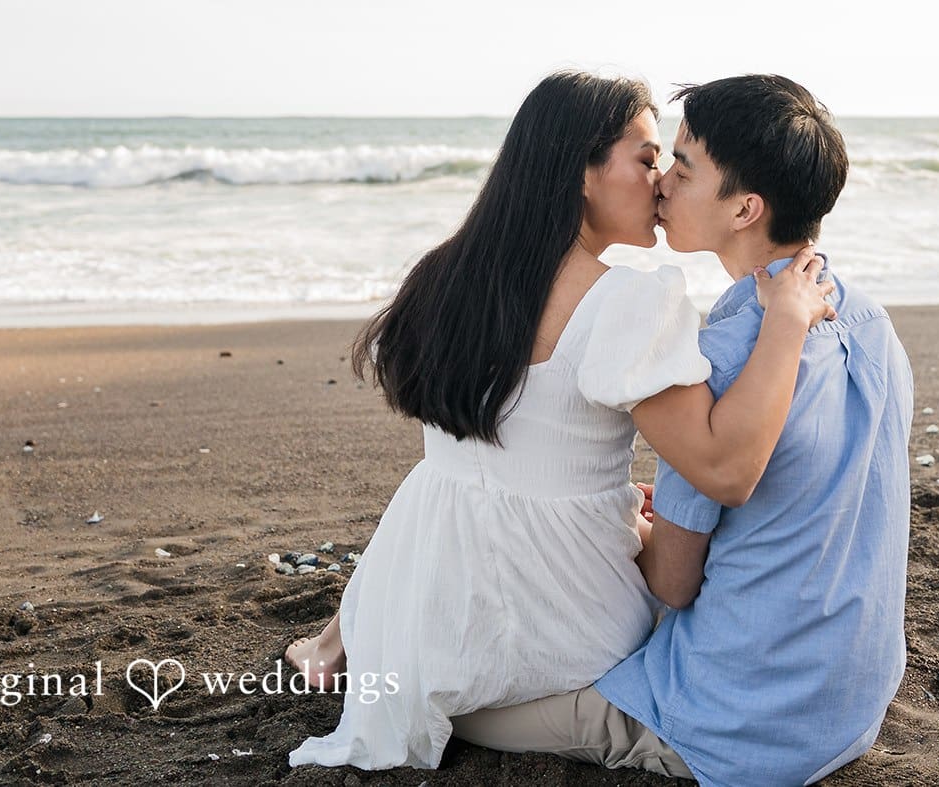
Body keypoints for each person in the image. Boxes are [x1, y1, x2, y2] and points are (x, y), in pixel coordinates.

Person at [285, 71, 836, 771]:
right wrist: (785, 323)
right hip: (551, 622)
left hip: (425, 596)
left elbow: (524, 443)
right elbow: (726, 469)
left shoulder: (449, 273)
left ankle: (343, 638)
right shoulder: (627, 301)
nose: (662, 178)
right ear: (581, 172)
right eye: (644, 158)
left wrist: (603, 504)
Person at [450, 75, 915, 786]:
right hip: (851, 701)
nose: (662, 181)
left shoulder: (720, 362)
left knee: (457, 707)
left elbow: (672, 583)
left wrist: (624, 530)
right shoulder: (873, 323)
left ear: (745, 208)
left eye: (686, 166)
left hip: (741, 720)